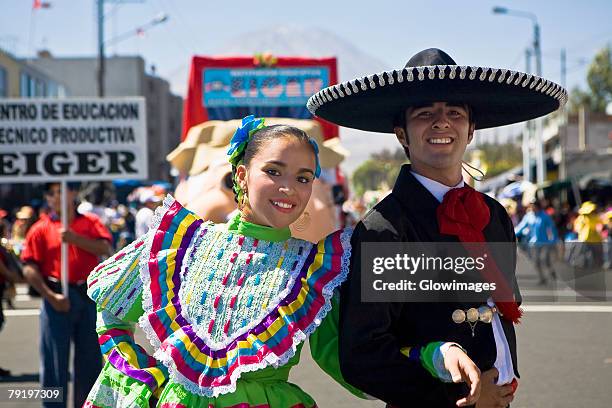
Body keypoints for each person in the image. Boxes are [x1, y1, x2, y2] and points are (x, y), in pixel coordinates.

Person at [307, 48, 566, 407]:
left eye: (455, 113)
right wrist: (462, 394)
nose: (442, 122)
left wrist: (508, 373)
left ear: (471, 129)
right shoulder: (385, 230)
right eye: (425, 113)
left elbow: (500, 309)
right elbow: (363, 355)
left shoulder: (494, 215)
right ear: (402, 134)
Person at [84, 116, 366, 407]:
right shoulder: (181, 245)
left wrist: (407, 378)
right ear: (242, 175)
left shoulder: (313, 268)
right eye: (273, 171)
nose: (288, 188)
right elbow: (110, 302)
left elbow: (340, 356)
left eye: (303, 178)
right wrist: (137, 374)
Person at [21, 182, 112, 408]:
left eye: (59, 191)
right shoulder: (40, 228)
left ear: (72, 193)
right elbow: (29, 268)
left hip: (87, 295)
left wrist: (73, 239)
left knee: (90, 360)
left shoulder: (91, 222)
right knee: (54, 363)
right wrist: (50, 296)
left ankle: (88, 404)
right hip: (55, 297)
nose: (55, 197)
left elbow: (105, 248)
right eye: (50, 193)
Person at [515, 200, 559, 284]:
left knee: (545, 260)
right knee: (536, 261)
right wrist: (511, 232)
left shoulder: (545, 216)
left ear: (537, 207)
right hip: (533, 243)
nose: (531, 208)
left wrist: (553, 239)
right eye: (530, 206)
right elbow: (521, 227)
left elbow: (552, 228)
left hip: (545, 242)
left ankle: (551, 272)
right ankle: (542, 278)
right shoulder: (528, 216)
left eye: (533, 206)